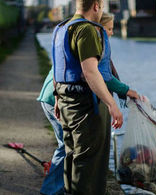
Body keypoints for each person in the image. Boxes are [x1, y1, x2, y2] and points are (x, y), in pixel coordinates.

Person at [52, 0, 123, 194]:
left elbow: (57, 69)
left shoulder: (61, 28)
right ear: (97, 6)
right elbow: (90, 72)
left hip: (66, 102)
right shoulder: (87, 30)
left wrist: (57, 98)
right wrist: (111, 104)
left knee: (71, 155)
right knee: (89, 162)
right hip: (85, 105)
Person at [98, 12, 139, 103]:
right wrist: (127, 90)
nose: (112, 33)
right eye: (109, 29)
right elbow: (104, 76)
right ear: (99, 27)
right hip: (97, 99)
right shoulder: (99, 46)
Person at [37, 67, 65, 195]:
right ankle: (49, 191)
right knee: (66, 145)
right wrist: (124, 90)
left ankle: (61, 184)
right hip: (52, 99)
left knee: (66, 144)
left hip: (53, 95)